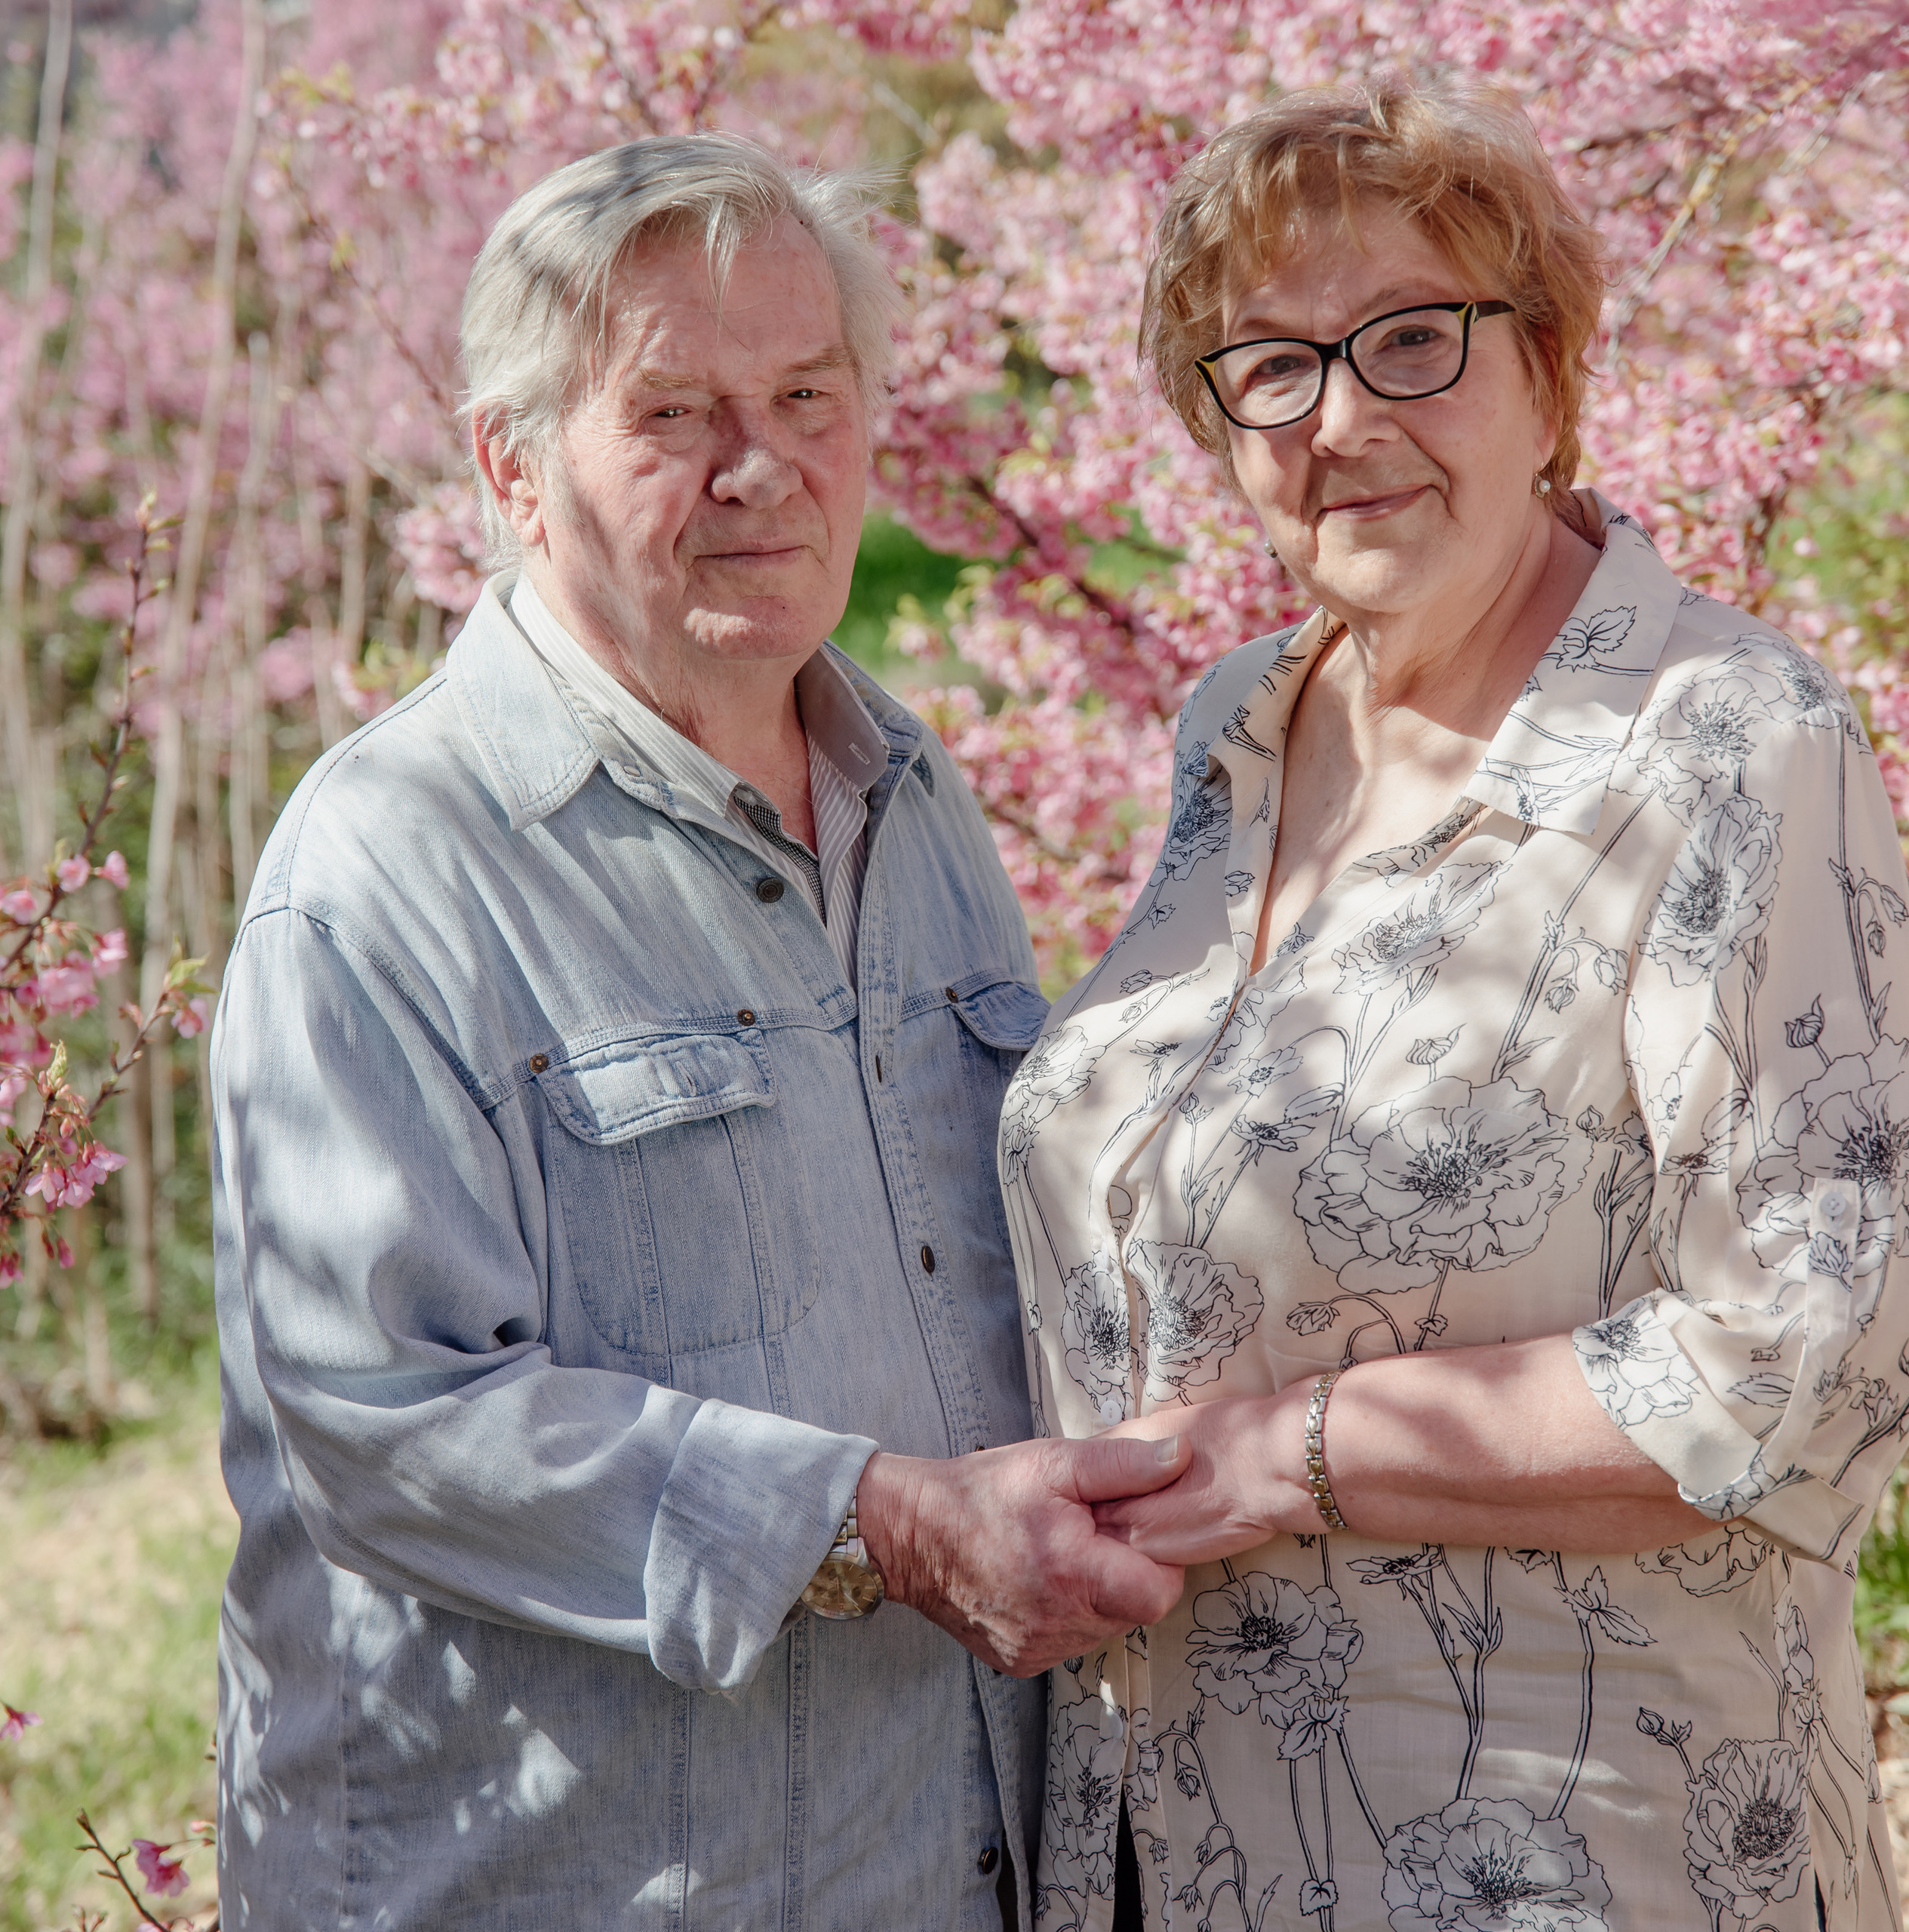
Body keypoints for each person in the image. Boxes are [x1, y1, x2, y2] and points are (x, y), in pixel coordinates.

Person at [210, 133, 1194, 1932]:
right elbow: (383, 1416)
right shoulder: (389, 866)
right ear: (512, 467)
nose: (764, 468)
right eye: (672, 414)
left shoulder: (911, 794)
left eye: (808, 395)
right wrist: (878, 1522)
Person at [1004, 77, 1909, 1932]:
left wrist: (1301, 1451)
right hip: (1165, 1834)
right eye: (1263, 367)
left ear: (1547, 368)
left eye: (1411, 341)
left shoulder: (1726, 741)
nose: (1339, 418)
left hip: (1572, 1850)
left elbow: (1816, 1350)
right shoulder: (1237, 730)